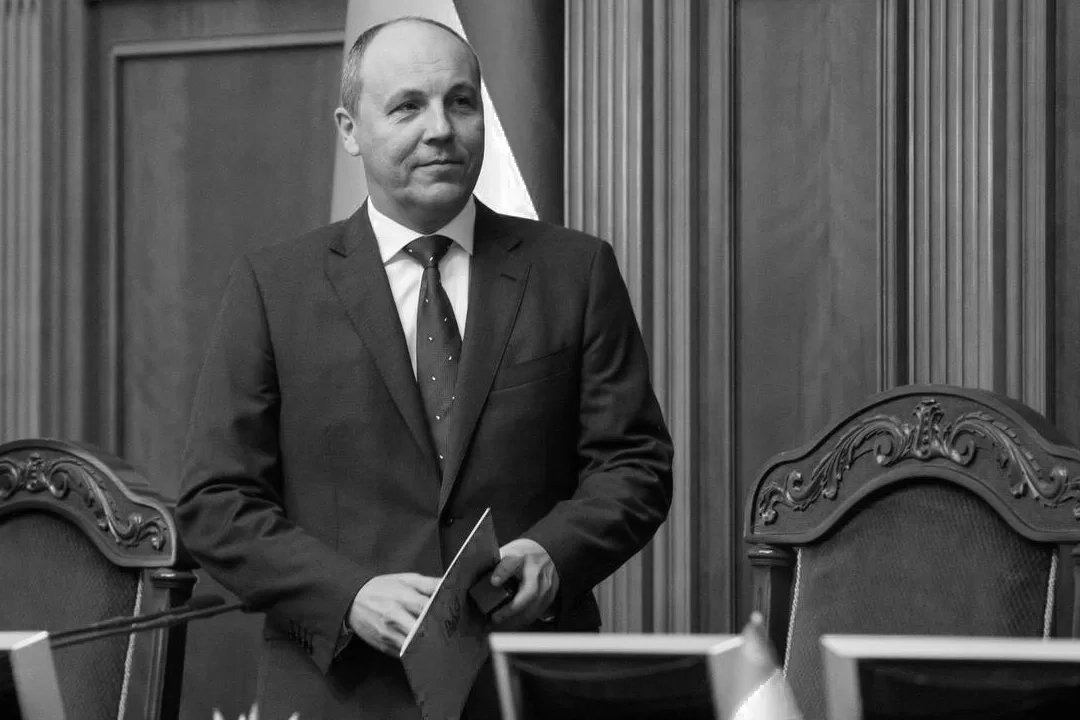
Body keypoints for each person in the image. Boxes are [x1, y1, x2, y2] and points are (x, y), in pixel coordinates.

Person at [176, 15, 673, 720]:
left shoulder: (575, 271)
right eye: (408, 106)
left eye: (461, 102)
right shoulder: (273, 287)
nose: (441, 129)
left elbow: (635, 464)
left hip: (530, 683)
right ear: (350, 130)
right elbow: (215, 503)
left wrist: (553, 553)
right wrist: (348, 595)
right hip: (343, 691)